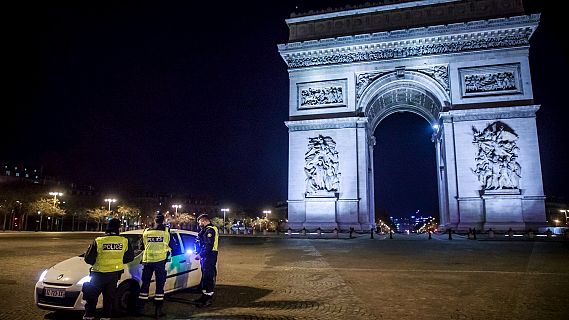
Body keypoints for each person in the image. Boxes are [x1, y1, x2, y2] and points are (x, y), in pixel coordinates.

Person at [82, 218, 134, 320]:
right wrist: (118, 260)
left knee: (91, 297)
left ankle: (89, 316)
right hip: (113, 275)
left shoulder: (99, 241)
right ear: (118, 228)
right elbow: (130, 257)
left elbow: (88, 259)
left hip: (98, 274)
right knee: (108, 299)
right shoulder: (124, 241)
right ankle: (106, 317)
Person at [137, 213, 173, 318]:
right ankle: (158, 311)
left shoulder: (146, 231)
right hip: (160, 261)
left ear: (154, 220)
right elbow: (171, 244)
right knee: (160, 286)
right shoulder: (166, 231)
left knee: (145, 285)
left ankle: (140, 309)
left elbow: (141, 246)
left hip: (147, 261)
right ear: (163, 220)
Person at [193, 213, 219, 307]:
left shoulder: (210, 230)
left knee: (208, 277)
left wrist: (200, 255)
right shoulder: (205, 230)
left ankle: (208, 299)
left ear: (204, 220)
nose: (199, 224)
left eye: (199, 222)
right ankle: (204, 296)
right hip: (206, 256)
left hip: (210, 255)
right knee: (204, 276)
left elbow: (209, 245)